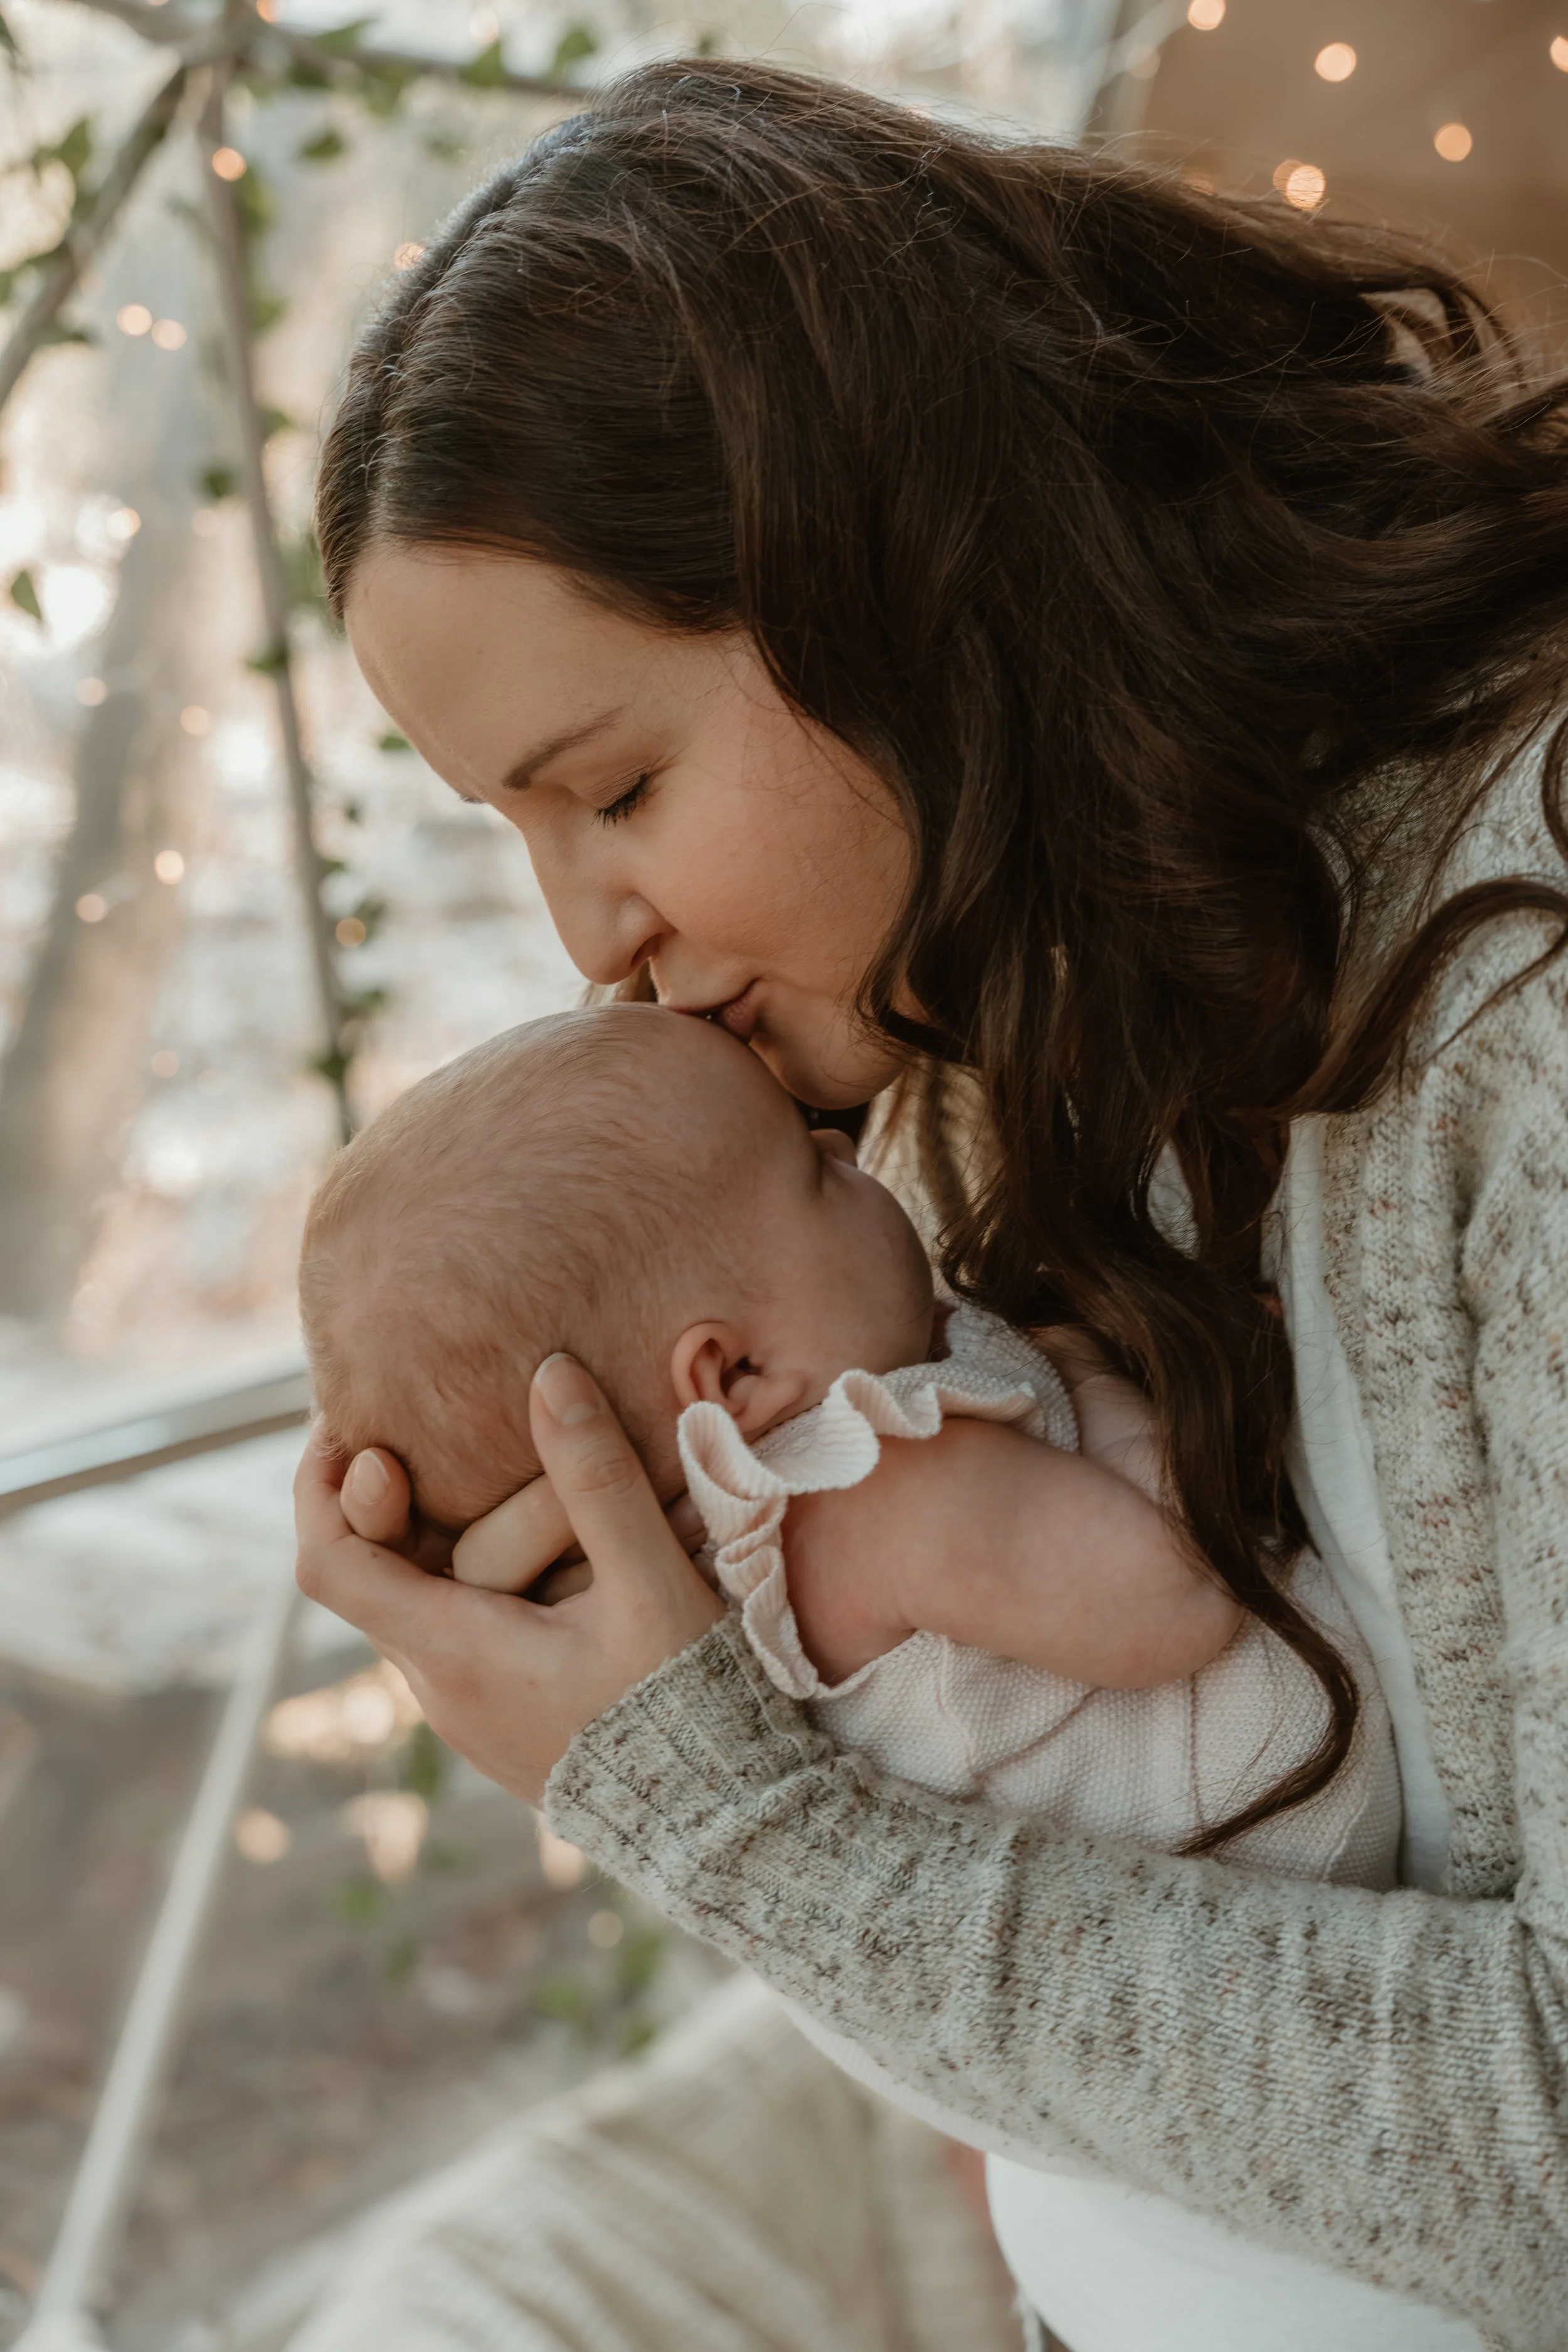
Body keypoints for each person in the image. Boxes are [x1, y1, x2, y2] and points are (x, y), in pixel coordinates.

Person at [294, 58, 1568, 2352]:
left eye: (618, 786)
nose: (591, 934)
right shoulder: (971, 1074)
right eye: (516, 829)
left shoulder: (1527, 993)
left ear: (913, 575)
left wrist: (720, 1806)